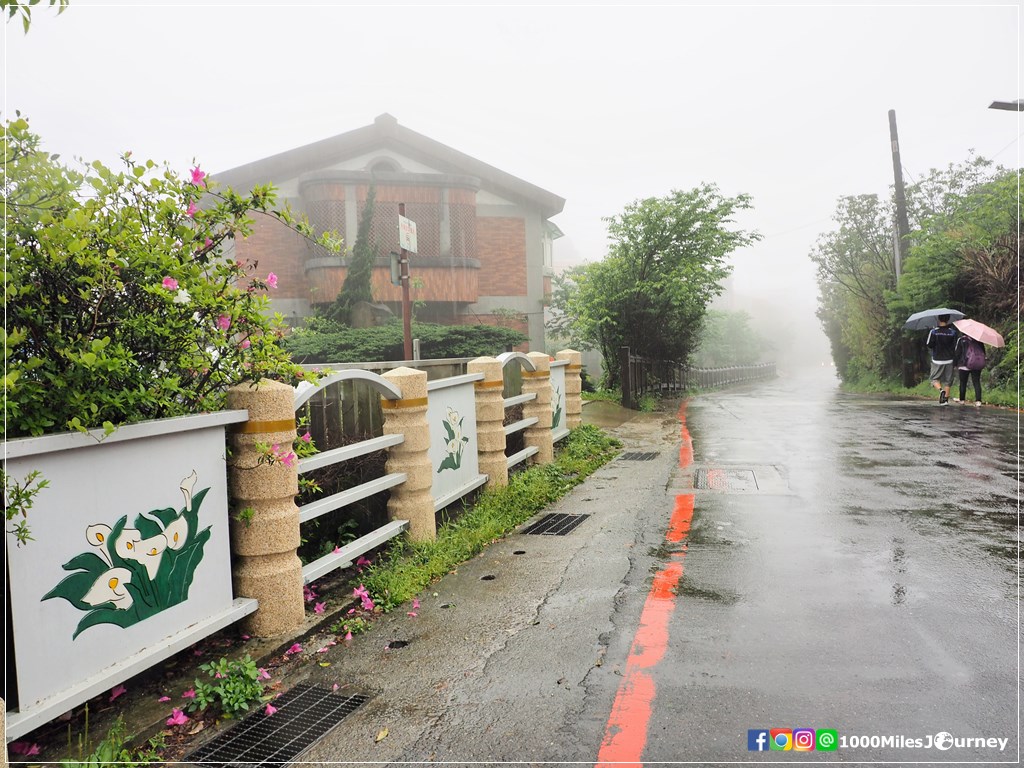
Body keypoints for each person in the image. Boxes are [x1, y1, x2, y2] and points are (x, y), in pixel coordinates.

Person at [925, 314, 958, 405]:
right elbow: (955, 346)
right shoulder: (953, 332)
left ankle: (941, 390)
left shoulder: (933, 331)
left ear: (939, 319)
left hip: (937, 359)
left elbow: (929, 345)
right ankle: (945, 400)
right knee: (948, 381)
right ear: (948, 320)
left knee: (934, 379)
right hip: (949, 359)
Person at [953, 333, 986, 406]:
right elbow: (983, 352)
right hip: (976, 364)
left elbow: (957, 353)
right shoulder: (978, 340)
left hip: (963, 364)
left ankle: (962, 400)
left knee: (963, 382)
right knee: (976, 382)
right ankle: (978, 401)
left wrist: (954, 364)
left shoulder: (961, 340)